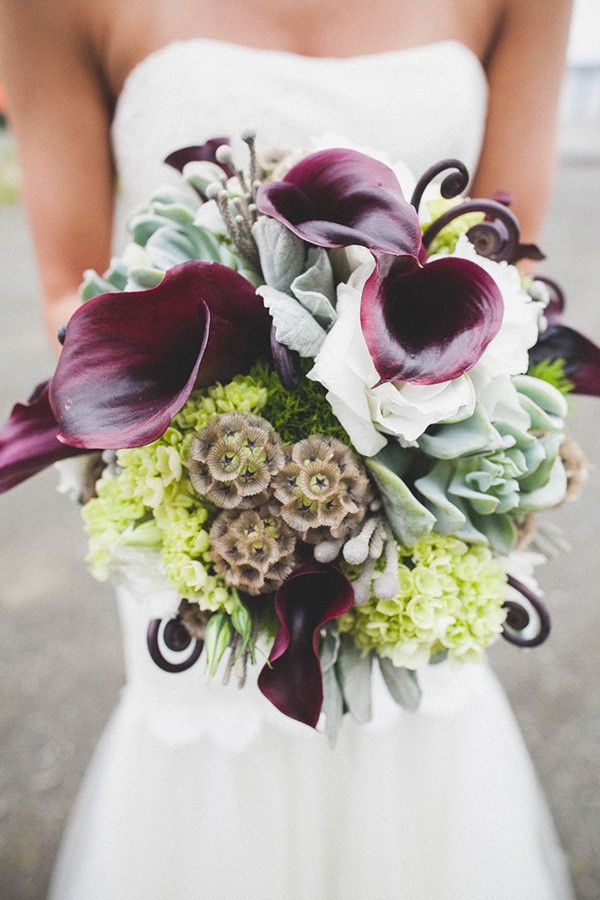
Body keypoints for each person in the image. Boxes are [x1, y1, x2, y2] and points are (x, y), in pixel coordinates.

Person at [0, 1, 576, 898]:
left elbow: (506, 259)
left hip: (418, 495)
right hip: (201, 500)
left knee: (409, 776)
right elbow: (64, 287)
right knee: (217, 774)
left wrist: (390, 442)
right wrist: (238, 458)